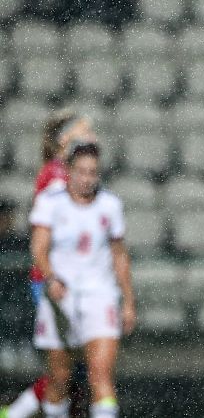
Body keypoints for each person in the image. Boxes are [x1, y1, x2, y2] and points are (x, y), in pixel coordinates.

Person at [28, 142, 135, 418]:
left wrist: (128, 302)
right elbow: (39, 248)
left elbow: (119, 255)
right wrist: (51, 278)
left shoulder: (110, 205)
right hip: (62, 296)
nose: (87, 179)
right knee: (59, 378)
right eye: (82, 172)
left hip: (100, 294)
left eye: (92, 173)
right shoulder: (51, 202)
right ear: (69, 171)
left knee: (100, 374)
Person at [2, 110, 97, 418]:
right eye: (85, 132)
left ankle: (16, 413)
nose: (93, 137)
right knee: (67, 368)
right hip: (54, 281)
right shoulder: (58, 175)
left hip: (61, 279)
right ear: (66, 139)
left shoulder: (61, 172)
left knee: (69, 367)